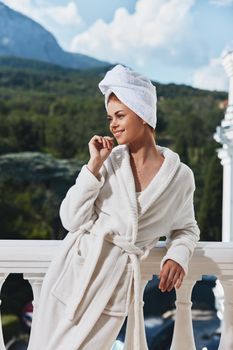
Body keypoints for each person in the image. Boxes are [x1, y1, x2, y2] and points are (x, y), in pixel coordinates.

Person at [27, 64, 200, 350]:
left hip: (114, 286)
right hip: (74, 273)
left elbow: (186, 228)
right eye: (110, 118)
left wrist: (177, 256)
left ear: (143, 113)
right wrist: (93, 165)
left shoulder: (179, 178)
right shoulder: (108, 162)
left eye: (121, 115)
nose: (113, 125)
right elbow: (71, 220)